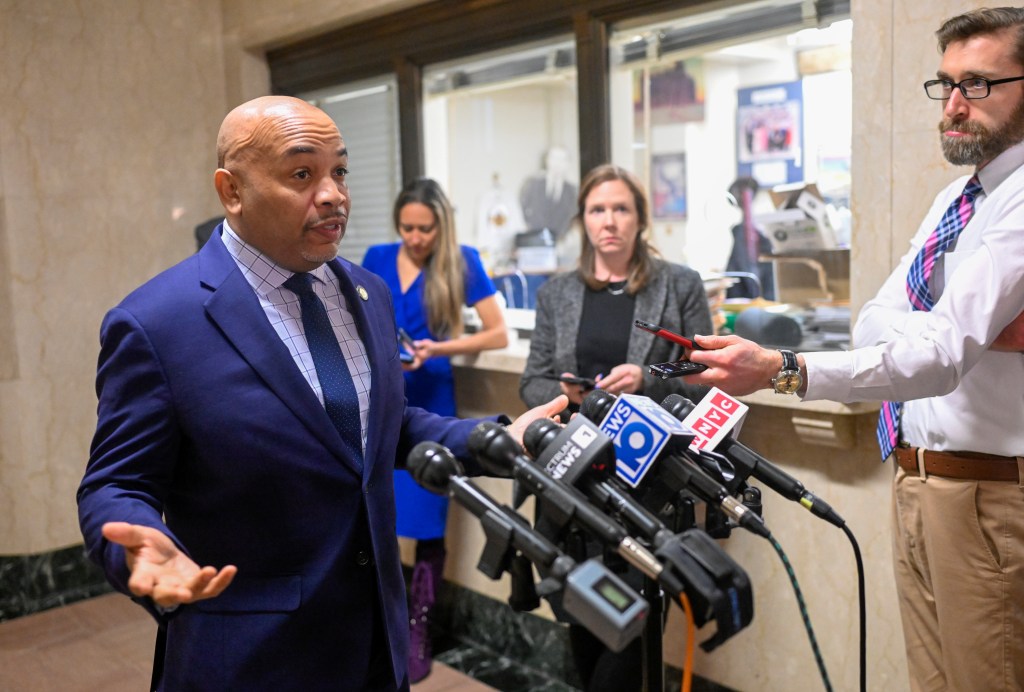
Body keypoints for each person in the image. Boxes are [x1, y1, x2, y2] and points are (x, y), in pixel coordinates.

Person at [76, 95, 565, 692]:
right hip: (251, 658)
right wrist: (134, 546)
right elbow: (116, 483)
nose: (333, 193)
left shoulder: (364, 291)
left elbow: (379, 427)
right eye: (303, 173)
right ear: (232, 191)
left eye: (340, 171)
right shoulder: (157, 323)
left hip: (374, 648)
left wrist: (494, 440)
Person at [685, 8, 1024, 690]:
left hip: (987, 498)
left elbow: (938, 358)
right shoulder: (956, 201)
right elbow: (876, 322)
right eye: (946, 84)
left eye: (978, 84)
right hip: (918, 482)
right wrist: (949, 333)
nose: (954, 105)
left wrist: (786, 367)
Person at [519, 163, 712, 691]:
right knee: (581, 616)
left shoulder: (679, 285)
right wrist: (568, 395)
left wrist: (647, 379)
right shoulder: (557, 293)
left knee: (633, 627)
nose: (610, 221)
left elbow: (701, 375)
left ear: (640, 218)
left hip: (647, 481)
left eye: (621, 209)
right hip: (571, 476)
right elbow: (531, 382)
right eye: (598, 209)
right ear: (583, 220)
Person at [361, 177, 508, 682]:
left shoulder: (461, 259)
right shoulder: (377, 256)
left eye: (425, 228)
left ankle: (420, 629)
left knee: (427, 524)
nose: (416, 238)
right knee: (375, 514)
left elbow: (498, 331)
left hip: (433, 401)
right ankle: (384, 626)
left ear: (440, 226)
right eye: (407, 228)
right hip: (385, 401)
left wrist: (436, 348)